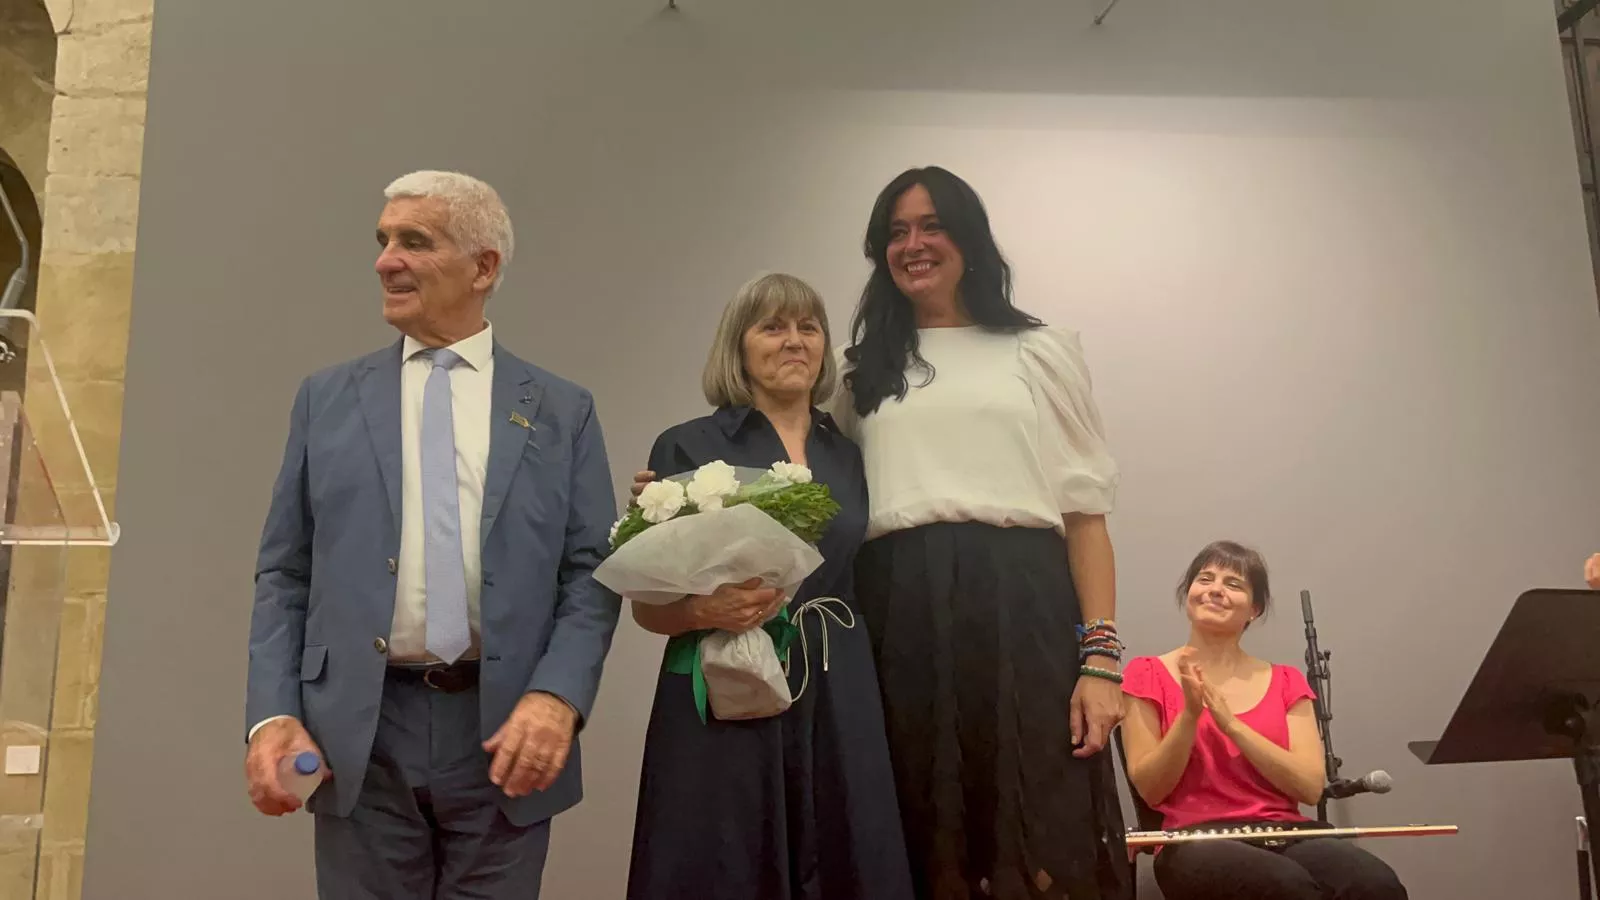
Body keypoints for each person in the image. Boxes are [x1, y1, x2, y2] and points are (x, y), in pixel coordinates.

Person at [631, 168, 1128, 898]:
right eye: (896, 232)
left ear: (971, 238)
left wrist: (1102, 661)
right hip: (898, 620)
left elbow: (1085, 517)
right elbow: (784, 451)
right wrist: (669, 497)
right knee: (918, 831)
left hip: (1023, 613)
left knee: (1040, 828)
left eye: (932, 226)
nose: (914, 244)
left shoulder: (1042, 351)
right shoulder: (859, 372)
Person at [243, 170, 622, 899]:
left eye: (414, 242)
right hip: (358, 733)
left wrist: (558, 698)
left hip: (506, 732)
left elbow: (591, 572)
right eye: (383, 241)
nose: (386, 260)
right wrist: (273, 713)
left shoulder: (560, 409)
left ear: (484, 267)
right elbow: (284, 572)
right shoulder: (326, 399)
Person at [624, 273, 915, 900]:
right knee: (722, 856)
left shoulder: (851, 454)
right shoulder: (687, 446)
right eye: (773, 327)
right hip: (723, 681)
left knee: (847, 849)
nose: (794, 342)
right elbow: (646, 611)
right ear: (739, 346)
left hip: (839, 681)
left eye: (808, 327)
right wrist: (705, 607)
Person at [1120, 540, 1408, 900]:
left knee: (1375, 884)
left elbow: (1308, 787)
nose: (1215, 590)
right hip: (1195, 842)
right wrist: (1190, 715)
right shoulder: (1145, 673)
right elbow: (1151, 788)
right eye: (1205, 579)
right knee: (1284, 888)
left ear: (1254, 609)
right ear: (1189, 593)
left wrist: (1233, 726)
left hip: (1286, 832)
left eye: (1233, 584)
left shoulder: (1287, 681)